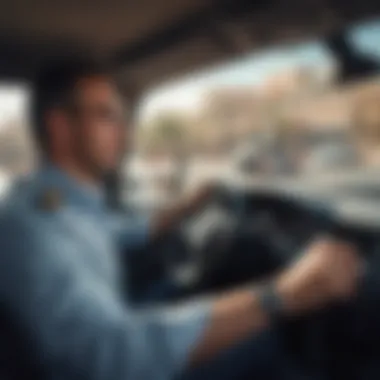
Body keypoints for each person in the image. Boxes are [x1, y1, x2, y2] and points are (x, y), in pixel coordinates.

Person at [0, 59, 362, 380]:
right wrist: (281, 295)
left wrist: (188, 203)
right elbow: (109, 356)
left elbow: (125, 232)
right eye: (106, 115)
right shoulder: (35, 230)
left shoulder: (62, 206)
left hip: (117, 322)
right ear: (60, 127)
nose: (124, 133)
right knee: (260, 337)